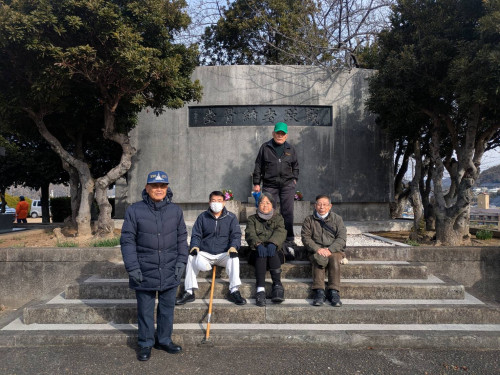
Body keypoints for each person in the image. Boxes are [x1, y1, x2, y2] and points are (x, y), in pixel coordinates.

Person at [120, 170, 188, 361]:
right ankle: (145, 343)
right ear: (147, 188)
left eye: (162, 186)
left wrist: (182, 261)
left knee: (167, 309)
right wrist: (132, 267)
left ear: (167, 188)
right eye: (155, 186)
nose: (159, 189)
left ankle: (164, 340)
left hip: (169, 268)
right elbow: (127, 241)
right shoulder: (134, 210)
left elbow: (182, 238)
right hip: (144, 269)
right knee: (145, 310)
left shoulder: (175, 211)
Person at [176, 191, 246, 306]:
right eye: (213, 201)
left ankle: (234, 290)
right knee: (191, 258)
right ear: (209, 202)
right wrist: (194, 246)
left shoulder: (231, 218)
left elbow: (236, 235)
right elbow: (196, 234)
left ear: (224, 203)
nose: (216, 203)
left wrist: (233, 247)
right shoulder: (202, 217)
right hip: (206, 253)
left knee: (234, 259)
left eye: (219, 201)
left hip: (224, 253)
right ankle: (189, 291)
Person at [252, 122, 299, 250]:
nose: (280, 135)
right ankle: (268, 237)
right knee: (267, 210)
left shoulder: (290, 149)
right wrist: (256, 183)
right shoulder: (265, 147)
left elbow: (295, 166)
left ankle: (289, 238)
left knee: (287, 212)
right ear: (273, 133)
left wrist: (294, 178)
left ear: (286, 136)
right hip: (269, 185)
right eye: (278, 133)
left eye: (282, 133)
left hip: (287, 185)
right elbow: (258, 166)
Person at [301, 195, 347, 307]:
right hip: (316, 250)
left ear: (330, 206)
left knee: (334, 259)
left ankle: (334, 291)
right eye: (319, 204)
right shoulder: (309, 220)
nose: (322, 207)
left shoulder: (337, 219)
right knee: (319, 258)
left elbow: (341, 238)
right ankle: (319, 291)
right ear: (315, 205)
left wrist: (330, 249)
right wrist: (318, 249)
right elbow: (305, 238)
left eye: (325, 204)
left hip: (334, 250)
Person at [245, 192, 287, 307]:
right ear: (258, 205)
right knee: (261, 254)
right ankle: (260, 290)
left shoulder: (278, 218)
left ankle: (277, 285)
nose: (265, 205)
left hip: (274, 251)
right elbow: (250, 233)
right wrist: (258, 244)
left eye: (268, 203)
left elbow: (281, 231)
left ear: (272, 205)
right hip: (256, 252)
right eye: (262, 203)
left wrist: (273, 243)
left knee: (271, 251)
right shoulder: (252, 219)